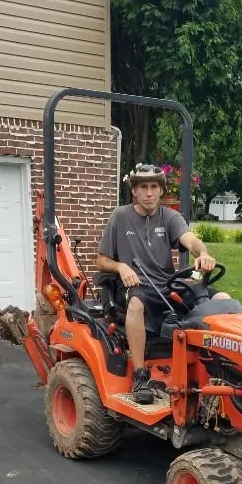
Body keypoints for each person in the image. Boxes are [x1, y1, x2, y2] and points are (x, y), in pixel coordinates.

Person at [96, 163, 230, 404]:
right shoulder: (120, 217)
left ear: (161, 190)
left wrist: (203, 253)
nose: (149, 193)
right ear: (134, 191)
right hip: (137, 285)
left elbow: (191, 240)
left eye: (154, 187)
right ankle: (140, 375)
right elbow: (102, 261)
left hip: (167, 285)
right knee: (136, 304)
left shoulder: (169, 217)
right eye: (144, 187)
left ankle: (225, 368)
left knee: (222, 300)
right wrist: (121, 266)